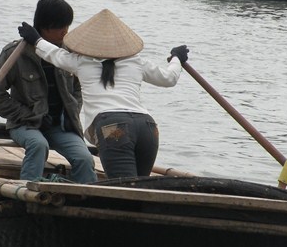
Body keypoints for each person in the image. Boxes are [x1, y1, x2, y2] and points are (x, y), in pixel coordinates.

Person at [18, 9, 188, 180]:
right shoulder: (136, 62)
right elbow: (169, 78)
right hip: (148, 128)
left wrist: (36, 39)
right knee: (140, 189)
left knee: (124, 191)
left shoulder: (82, 62)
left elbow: (54, 54)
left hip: (114, 127)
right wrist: (176, 58)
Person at [0, 0, 97, 184]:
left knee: (85, 158)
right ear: (45, 27)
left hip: (61, 127)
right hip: (26, 124)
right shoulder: (15, 53)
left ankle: (88, 200)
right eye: (60, 27)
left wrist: (72, 109)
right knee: (39, 145)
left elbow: (78, 89)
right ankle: (27, 193)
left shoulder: (68, 53)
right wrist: (26, 114)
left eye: (67, 26)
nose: (65, 32)